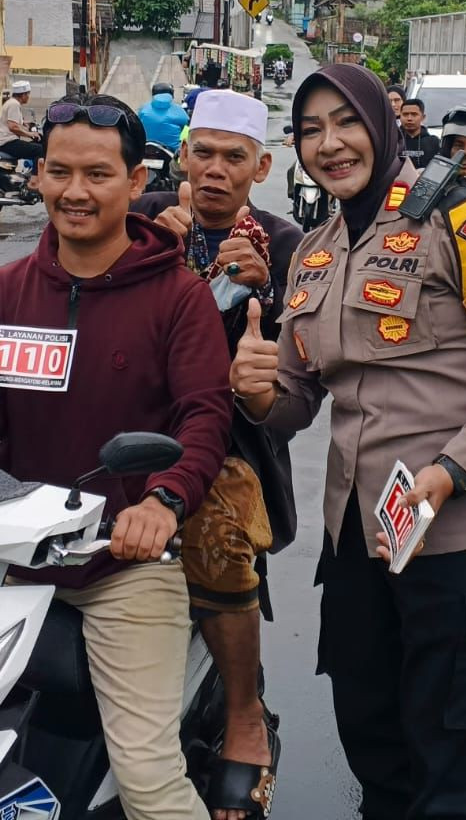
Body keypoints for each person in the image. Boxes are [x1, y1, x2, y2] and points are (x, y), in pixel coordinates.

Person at [230, 63, 466, 820]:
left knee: (456, 755)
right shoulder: (314, 249)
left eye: (345, 122)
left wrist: (455, 469)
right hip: (361, 543)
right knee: (373, 736)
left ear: (383, 125)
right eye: (311, 130)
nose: (330, 144)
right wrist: (258, 393)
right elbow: (296, 403)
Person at [0, 95, 231, 820]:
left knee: (150, 783)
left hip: (120, 568)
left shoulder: (178, 296)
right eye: (58, 171)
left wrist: (163, 504)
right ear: (36, 177)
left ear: (135, 183)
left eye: (97, 174)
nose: (74, 191)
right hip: (12, 558)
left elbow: (205, 418)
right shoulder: (6, 288)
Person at [131, 89, 301, 819]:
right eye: (203, 153)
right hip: (127, 420)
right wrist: (147, 258)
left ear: (260, 167)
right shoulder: (142, 218)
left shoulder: (286, 242)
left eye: (235, 158)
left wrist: (278, 296)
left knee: (223, 537)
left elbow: (305, 365)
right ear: (183, 155)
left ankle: (243, 712)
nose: (215, 171)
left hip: (233, 435)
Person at [0, 80, 42, 171]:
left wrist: (26, 124)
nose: (28, 97)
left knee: (33, 146)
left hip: (4, 142)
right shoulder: (14, 104)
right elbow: (13, 127)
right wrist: (30, 134)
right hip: (6, 143)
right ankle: (35, 180)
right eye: (28, 94)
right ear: (23, 95)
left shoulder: (11, 102)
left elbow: (14, 121)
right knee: (40, 150)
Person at [138, 81, 191, 150]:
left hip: (147, 149)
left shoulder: (143, 108)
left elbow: (138, 123)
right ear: (172, 95)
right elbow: (186, 124)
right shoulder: (179, 110)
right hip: (172, 151)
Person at [398, 98, 441, 169]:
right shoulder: (393, 141)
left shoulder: (433, 142)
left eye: (414, 114)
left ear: (423, 117)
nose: (409, 118)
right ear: (400, 117)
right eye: (405, 114)